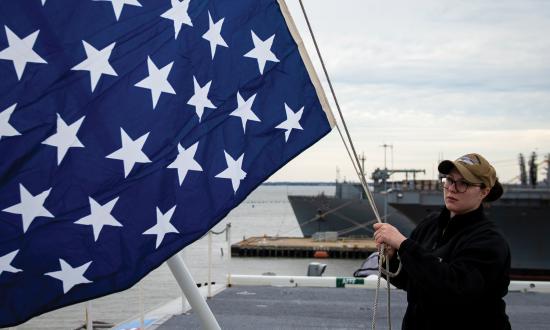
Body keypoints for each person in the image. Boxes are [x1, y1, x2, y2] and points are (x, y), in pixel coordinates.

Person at [373, 153, 511, 330]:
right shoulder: (430, 224)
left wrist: (404, 245)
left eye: (464, 183)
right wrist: (390, 259)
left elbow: (455, 288)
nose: (452, 188)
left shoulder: (490, 241)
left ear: (484, 191)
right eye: (449, 180)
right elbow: (412, 281)